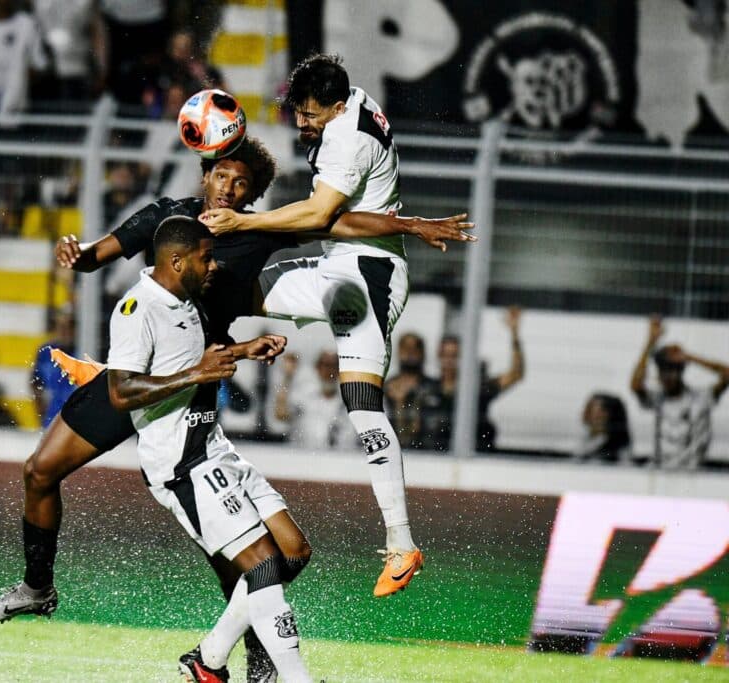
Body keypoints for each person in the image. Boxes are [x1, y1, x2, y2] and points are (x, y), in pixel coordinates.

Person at [0, 134, 472, 678]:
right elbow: (100, 255)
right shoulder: (169, 222)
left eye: (243, 184)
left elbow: (339, 223)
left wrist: (412, 226)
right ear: (204, 175)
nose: (230, 189)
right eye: (222, 177)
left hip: (194, 384)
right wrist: (77, 254)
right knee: (39, 470)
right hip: (143, 376)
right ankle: (38, 588)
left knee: (235, 550)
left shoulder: (255, 233)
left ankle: (251, 653)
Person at [199, 53, 466, 595]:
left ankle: (401, 543)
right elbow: (342, 220)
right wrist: (409, 223)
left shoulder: (348, 139)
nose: (303, 122)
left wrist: (244, 220)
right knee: (219, 286)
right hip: (344, 267)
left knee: (362, 404)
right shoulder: (351, 103)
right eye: (299, 110)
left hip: (363, 278)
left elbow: (321, 217)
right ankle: (128, 370)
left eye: (312, 113)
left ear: (340, 106)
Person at [106, 216, 311, 682]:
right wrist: (195, 375)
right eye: (205, 257)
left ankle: (208, 659)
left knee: (292, 552)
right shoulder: (138, 309)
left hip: (213, 447)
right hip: (181, 463)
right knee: (262, 566)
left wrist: (243, 350)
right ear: (176, 261)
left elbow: (194, 357)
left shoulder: (187, 301)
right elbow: (120, 392)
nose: (213, 265)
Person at [420, 307, 525, 452]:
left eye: (455, 355)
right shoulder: (427, 388)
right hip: (436, 456)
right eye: (446, 355)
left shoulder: (476, 389)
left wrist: (514, 334)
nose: (450, 360)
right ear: (439, 356)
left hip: (475, 454)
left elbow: (516, 374)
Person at [630, 315, 729, 469]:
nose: (667, 377)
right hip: (661, 469)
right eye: (663, 371)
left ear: (681, 372)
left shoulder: (701, 397)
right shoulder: (657, 399)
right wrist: (650, 343)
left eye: (672, 371)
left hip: (693, 472)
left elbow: (726, 374)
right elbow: (636, 385)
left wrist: (689, 357)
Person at [270, 350, 351, 451]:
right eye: (325, 365)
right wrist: (287, 377)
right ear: (317, 368)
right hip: (303, 459)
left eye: (334, 366)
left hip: (337, 461)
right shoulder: (303, 396)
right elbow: (281, 415)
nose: (330, 370)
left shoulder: (348, 404)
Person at [384, 333, 439, 450]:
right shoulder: (386, 387)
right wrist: (399, 402)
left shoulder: (432, 387)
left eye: (415, 348)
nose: (410, 353)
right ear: (398, 351)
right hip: (390, 449)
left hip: (426, 451)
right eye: (406, 348)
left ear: (422, 353)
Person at [31, 312, 77, 427]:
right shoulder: (46, 352)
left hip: (77, 421)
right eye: (60, 326)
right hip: (51, 420)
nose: (64, 332)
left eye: (69, 326)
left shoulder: (84, 352)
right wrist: (41, 413)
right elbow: (36, 385)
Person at [572, 393, 631, 463]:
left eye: (590, 408)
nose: (584, 412)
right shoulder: (588, 439)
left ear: (606, 414)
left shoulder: (612, 450)